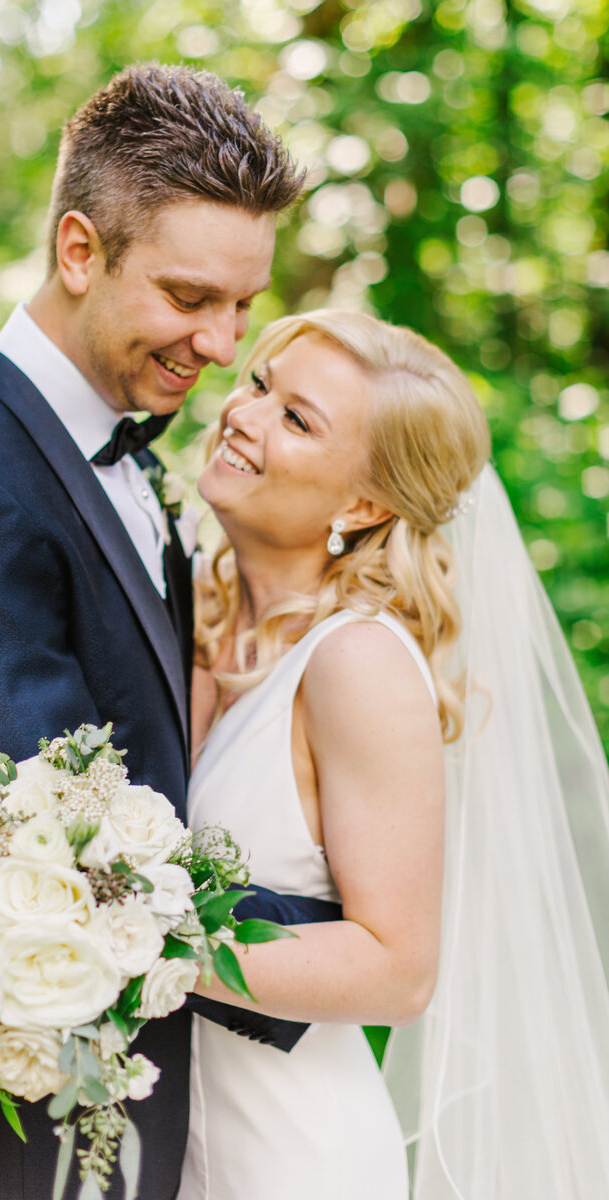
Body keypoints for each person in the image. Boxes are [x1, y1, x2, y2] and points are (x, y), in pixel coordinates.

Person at [0, 64, 337, 1200]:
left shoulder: (112, 447)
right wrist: (354, 943)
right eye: (190, 297)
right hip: (10, 1138)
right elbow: (68, 859)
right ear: (76, 251)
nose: (221, 343)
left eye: (242, 307)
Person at [176, 309, 609, 1199]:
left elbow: (397, 968)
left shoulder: (355, 661)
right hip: (175, 1141)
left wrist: (137, 945)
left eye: (297, 418)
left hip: (286, 1160)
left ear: (364, 505)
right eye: (260, 384)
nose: (245, 416)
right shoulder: (195, 610)